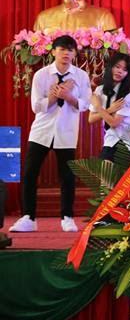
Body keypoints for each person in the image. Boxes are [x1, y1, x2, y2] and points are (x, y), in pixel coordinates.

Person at [9, 35, 91, 233]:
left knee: (67, 176)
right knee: (29, 173)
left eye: (70, 50)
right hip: (41, 130)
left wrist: (69, 96)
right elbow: (36, 107)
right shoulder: (42, 75)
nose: (66, 53)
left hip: (66, 131)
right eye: (62, 49)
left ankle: (67, 217)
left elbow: (85, 105)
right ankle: (28, 217)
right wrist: (55, 96)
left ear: (74, 54)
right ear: (53, 51)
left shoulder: (81, 76)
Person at [89, 53, 130, 161]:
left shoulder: (128, 95)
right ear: (110, 67)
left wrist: (99, 107)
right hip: (113, 137)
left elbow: (114, 123)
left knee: (124, 175)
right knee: (104, 172)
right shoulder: (100, 90)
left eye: (124, 69)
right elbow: (91, 119)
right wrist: (109, 110)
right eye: (117, 67)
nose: (120, 71)